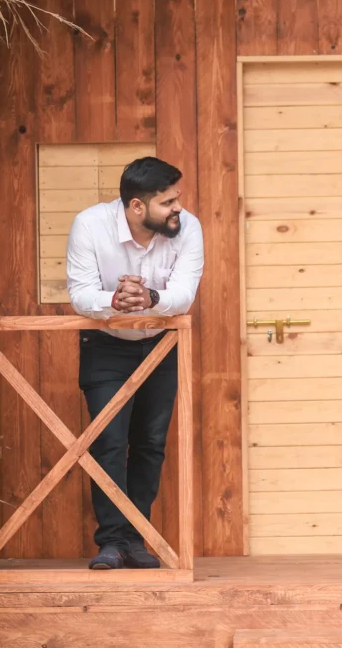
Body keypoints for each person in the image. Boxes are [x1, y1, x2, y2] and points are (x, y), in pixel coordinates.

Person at [66, 156, 204, 570]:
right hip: (106, 345)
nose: (178, 208)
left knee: (150, 444)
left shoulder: (188, 228)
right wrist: (115, 301)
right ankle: (111, 542)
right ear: (137, 207)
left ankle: (135, 538)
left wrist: (151, 300)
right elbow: (80, 293)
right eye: (168, 202)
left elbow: (184, 292)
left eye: (176, 199)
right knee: (108, 443)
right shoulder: (90, 225)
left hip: (160, 345)